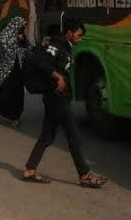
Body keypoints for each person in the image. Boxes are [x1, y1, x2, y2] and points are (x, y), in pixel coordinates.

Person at [22, 19, 108, 188]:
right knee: (73, 135)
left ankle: (30, 169)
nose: (80, 38)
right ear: (69, 33)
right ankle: (84, 175)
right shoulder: (57, 45)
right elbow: (41, 61)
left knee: (47, 136)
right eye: (79, 35)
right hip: (57, 98)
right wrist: (58, 76)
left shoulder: (65, 46)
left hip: (56, 97)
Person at [0, 16, 28, 126]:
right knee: (1, 94)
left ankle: (15, 117)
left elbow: (28, 50)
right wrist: (17, 40)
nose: (24, 29)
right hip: (5, 72)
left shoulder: (23, 38)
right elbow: (6, 47)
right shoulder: (5, 35)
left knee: (17, 96)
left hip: (18, 72)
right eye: (22, 26)